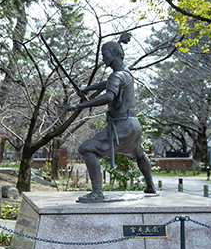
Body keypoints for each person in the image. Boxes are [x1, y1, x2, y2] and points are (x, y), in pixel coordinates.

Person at [66, 35, 156, 202]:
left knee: (86, 149)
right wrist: (87, 89)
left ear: (114, 53)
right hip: (133, 125)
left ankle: (97, 192)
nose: (103, 58)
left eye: (105, 54)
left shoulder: (117, 76)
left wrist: (78, 106)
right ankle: (150, 185)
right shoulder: (126, 73)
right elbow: (107, 83)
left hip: (122, 125)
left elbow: (108, 96)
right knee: (139, 153)